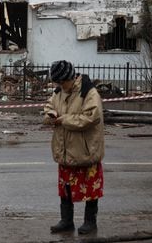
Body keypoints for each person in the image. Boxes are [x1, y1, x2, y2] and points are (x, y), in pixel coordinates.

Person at [44, 60, 104, 235]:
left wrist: (63, 119)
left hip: (85, 150)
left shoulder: (89, 92)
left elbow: (91, 118)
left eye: (63, 82)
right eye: (58, 83)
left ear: (71, 77)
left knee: (90, 187)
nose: (61, 86)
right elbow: (48, 107)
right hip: (65, 149)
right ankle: (66, 221)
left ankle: (90, 222)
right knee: (66, 187)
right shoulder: (59, 92)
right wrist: (50, 115)